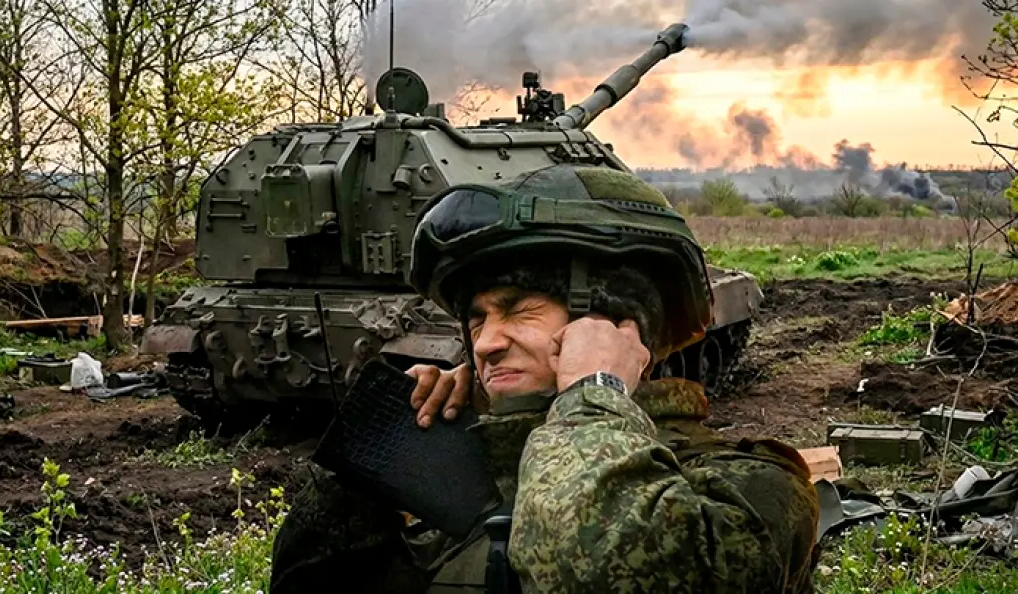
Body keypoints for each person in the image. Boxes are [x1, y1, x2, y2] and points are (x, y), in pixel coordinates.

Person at [269, 164, 820, 593]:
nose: (485, 343)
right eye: (477, 320)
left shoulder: (754, 488)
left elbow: (610, 576)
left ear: (612, 320)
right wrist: (373, 465)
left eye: (520, 310)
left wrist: (593, 394)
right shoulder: (463, 487)